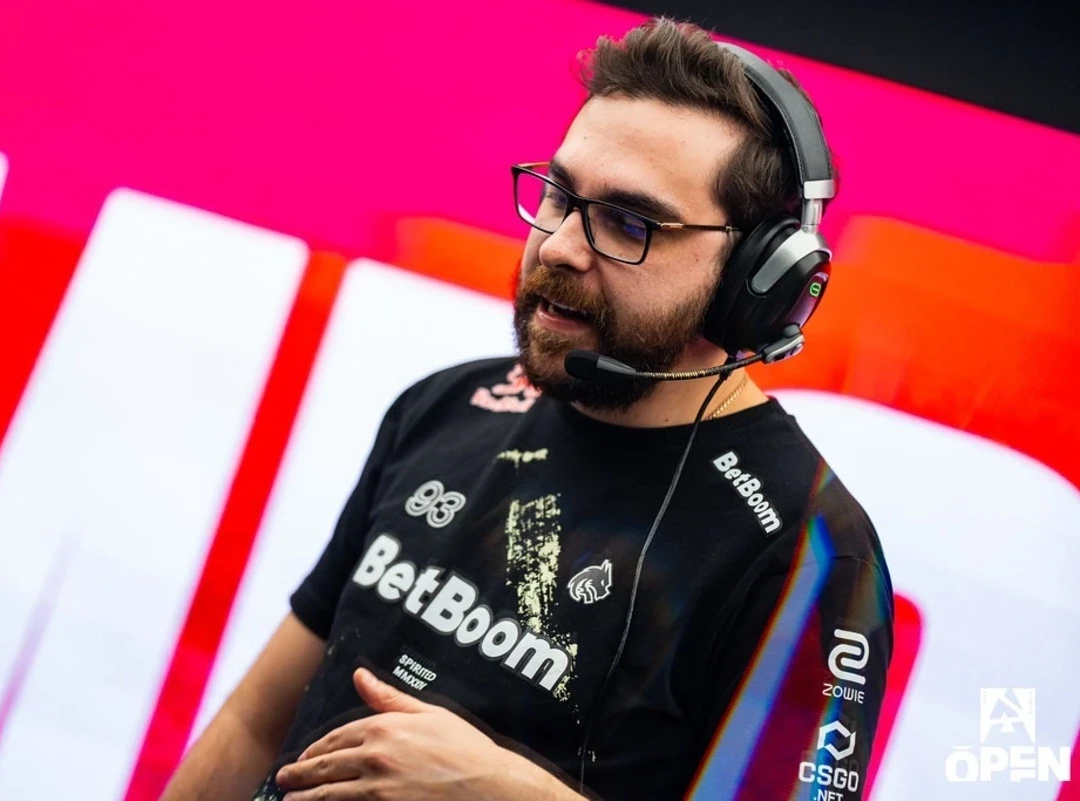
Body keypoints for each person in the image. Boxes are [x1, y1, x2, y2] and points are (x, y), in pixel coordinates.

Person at [161, 17, 893, 801]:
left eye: (629, 223)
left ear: (756, 281)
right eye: (559, 195)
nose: (559, 246)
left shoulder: (808, 558)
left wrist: (499, 791)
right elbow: (255, 722)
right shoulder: (449, 405)